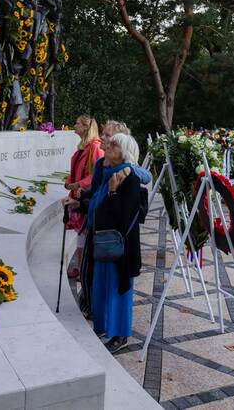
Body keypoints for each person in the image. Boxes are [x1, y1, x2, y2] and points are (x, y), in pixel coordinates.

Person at [76, 120, 151, 318]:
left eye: (110, 138)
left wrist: (114, 189)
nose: (104, 141)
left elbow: (123, 210)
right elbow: (96, 192)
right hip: (96, 225)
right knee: (92, 273)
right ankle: (92, 308)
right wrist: (80, 198)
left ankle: (97, 313)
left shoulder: (127, 173)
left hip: (112, 236)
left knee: (112, 280)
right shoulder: (103, 165)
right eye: (105, 136)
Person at [89, 133, 144, 353]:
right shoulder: (107, 173)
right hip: (104, 242)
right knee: (102, 284)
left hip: (121, 248)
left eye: (113, 145)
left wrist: (112, 193)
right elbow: (97, 202)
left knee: (118, 289)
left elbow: (124, 217)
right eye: (109, 144)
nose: (107, 147)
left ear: (124, 153)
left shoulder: (129, 179)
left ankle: (120, 335)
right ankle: (103, 326)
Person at [64, 115, 104, 279]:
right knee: (80, 235)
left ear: (85, 128)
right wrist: (69, 182)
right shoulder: (83, 147)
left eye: (77, 123)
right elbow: (75, 169)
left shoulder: (95, 148)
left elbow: (96, 174)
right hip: (77, 194)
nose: (74, 125)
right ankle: (81, 269)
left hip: (85, 197)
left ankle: (84, 270)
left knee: (85, 235)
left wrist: (79, 184)